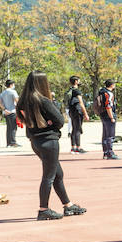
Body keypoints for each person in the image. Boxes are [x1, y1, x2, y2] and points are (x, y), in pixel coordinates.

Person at [17, 71, 85, 221]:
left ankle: (67, 204)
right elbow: (60, 120)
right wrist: (49, 124)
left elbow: (25, 120)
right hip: (49, 141)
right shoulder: (44, 101)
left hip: (35, 141)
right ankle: (43, 209)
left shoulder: (23, 101)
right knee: (49, 176)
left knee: (57, 174)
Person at [66, 76, 88, 154]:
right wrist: (85, 114)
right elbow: (81, 103)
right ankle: (78, 147)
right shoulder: (77, 91)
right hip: (78, 111)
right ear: (76, 81)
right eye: (78, 80)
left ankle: (73, 147)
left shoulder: (70, 90)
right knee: (78, 129)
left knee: (74, 128)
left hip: (71, 111)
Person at [97, 80, 119, 160]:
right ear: (112, 85)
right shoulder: (108, 93)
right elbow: (108, 106)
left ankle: (105, 152)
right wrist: (111, 117)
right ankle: (110, 152)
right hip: (108, 115)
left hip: (102, 114)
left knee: (105, 134)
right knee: (110, 135)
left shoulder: (101, 92)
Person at [0, 79, 20, 147]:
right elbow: (17, 100)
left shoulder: (3, 93)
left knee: (8, 128)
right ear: (11, 85)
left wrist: (4, 109)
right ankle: (13, 142)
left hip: (6, 112)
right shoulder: (13, 92)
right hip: (12, 111)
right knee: (13, 127)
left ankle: (8, 143)